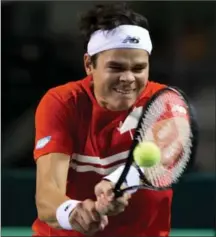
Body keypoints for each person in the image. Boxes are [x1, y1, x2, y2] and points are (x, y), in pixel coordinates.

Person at [32, 2, 173, 237]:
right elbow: (47, 194)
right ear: (89, 64)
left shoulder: (164, 103)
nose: (128, 78)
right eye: (116, 67)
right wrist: (73, 212)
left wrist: (113, 184)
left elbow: (151, 166)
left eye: (139, 68)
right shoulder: (62, 102)